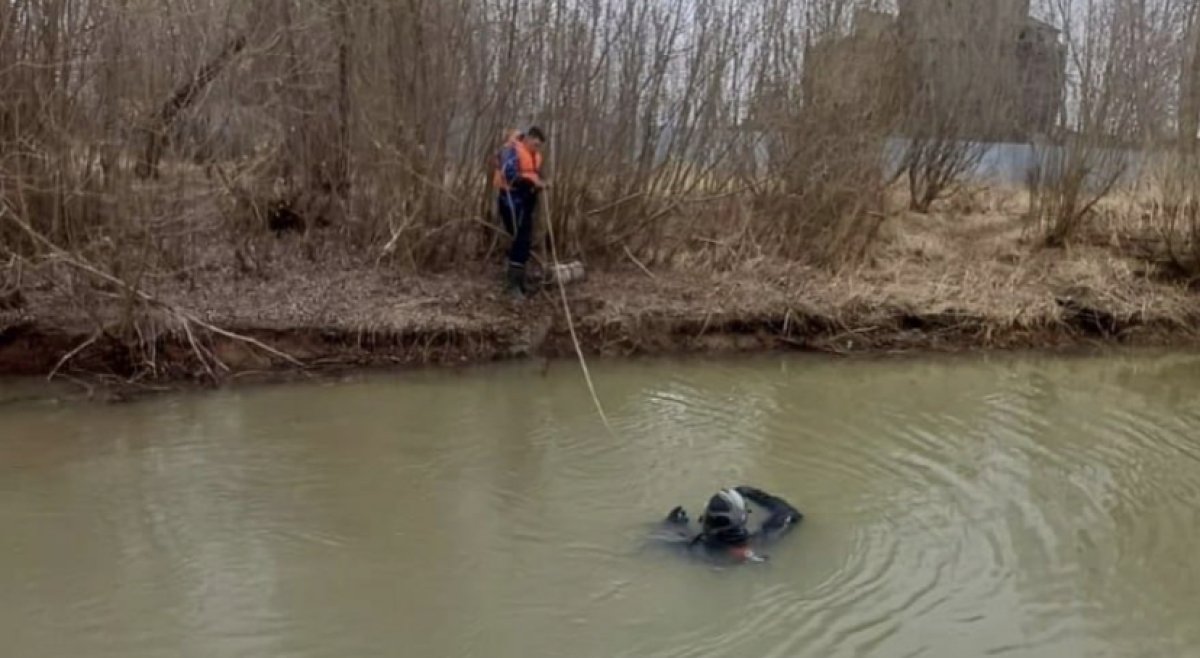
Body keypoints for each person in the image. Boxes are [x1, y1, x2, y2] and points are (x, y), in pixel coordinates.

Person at [659, 486, 803, 563]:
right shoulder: (760, 542)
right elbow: (789, 514)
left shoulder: (692, 548)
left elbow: (662, 537)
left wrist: (673, 522)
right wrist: (752, 493)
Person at [494, 126, 547, 299]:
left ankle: (518, 281)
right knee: (520, 238)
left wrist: (540, 185)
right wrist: (529, 182)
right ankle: (512, 285)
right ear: (528, 139)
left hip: (526, 200)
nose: (537, 148)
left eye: (539, 146)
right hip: (511, 200)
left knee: (525, 239)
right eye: (535, 144)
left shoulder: (535, 156)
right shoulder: (512, 151)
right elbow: (509, 174)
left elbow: (534, 175)